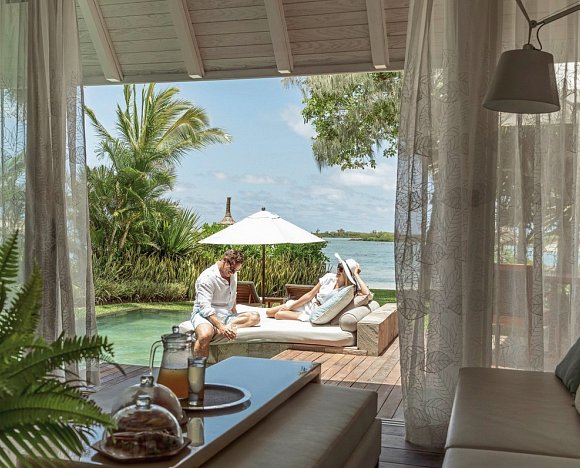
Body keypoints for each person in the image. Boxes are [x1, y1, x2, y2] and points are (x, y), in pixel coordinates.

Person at [191, 249, 260, 357]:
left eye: (236, 271)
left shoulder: (232, 273)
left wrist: (234, 315)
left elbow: (232, 297)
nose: (233, 273)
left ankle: (217, 330)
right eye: (232, 269)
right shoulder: (207, 278)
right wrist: (222, 327)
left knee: (254, 317)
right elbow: (205, 308)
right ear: (224, 260)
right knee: (205, 335)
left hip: (226, 315)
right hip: (205, 315)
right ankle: (198, 367)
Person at [266, 253, 371, 321]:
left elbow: (367, 294)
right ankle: (292, 309)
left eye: (342, 269)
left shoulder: (347, 290)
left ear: (348, 274)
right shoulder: (329, 277)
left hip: (315, 312)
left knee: (278, 315)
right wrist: (291, 307)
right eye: (339, 267)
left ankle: (297, 315)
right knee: (269, 312)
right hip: (308, 304)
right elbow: (310, 294)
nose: (338, 270)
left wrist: (356, 274)